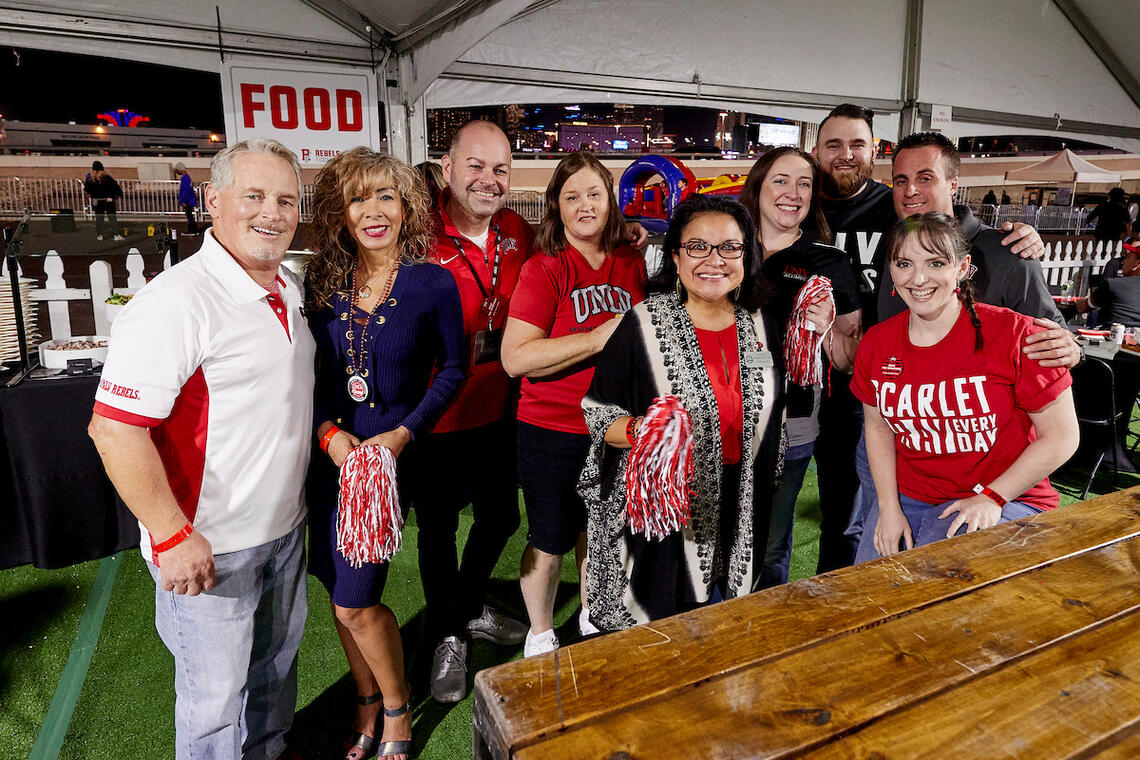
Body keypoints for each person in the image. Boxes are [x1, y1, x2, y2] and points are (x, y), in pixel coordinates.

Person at [88, 138, 313, 760]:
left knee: (273, 678)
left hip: (284, 531)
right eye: (254, 196)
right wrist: (170, 535)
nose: (272, 213)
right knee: (213, 709)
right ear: (213, 200)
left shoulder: (288, 286)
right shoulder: (175, 302)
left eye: (286, 200)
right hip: (211, 545)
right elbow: (114, 429)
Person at [418, 120, 646, 702]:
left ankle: (471, 605)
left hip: (499, 409)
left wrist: (628, 231)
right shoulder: (419, 233)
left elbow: (586, 233)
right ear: (447, 169)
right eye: (475, 166)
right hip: (437, 410)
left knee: (500, 519)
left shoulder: (516, 231)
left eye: (499, 169)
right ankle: (448, 631)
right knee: (440, 529)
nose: (488, 180)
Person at [811, 106, 1059, 572]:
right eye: (901, 180)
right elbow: (878, 411)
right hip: (897, 440)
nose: (910, 191)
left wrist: (1073, 347)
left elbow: (1053, 347)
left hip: (982, 465)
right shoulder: (894, 240)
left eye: (925, 178)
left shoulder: (1007, 253)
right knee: (871, 552)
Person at [306, 147, 465, 760]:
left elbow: (454, 369)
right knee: (337, 595)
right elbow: (310, 380)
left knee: (356, 599)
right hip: (329, 465)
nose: (373, 212)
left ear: (407, 207)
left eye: (385, 197)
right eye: (357, 199)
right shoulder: (323, 286)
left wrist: (403, 434)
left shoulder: (433, 282)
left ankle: (396, 709)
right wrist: (328, 434)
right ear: (340, 213)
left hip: (385, 467)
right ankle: (366, 699)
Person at [578, 194, 784, 630]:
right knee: (665, 630)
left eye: (730, 247)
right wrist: (649, 432)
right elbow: (598, 415)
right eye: (697, 246)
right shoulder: (641, 325)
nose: (714, 260)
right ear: (675, 256)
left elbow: (775, 417)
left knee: (727, 623)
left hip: (742, 501)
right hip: (668, 513)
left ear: (747, 255)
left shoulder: (762, 323)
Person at [851, 212, 1078, 561]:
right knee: (869, 586)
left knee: (936, 576)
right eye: (904, 263)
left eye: (936, 263)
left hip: (1009, 496)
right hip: (912, 497)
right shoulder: (878, 343)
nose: (918, 278)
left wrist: (993, 497)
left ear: (962, 268)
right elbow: (878, 428)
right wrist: (888, 507)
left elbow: (1062, 436)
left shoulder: (1016, 334)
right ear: (891, 270)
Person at [501, 150, 648, 656]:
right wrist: (596, 339)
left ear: (610, 200)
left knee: (599, 531)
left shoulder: (630, 259)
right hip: (552, 428)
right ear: (556, 207)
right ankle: (541, 632)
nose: (585, 205)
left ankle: (591, 613)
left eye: (594, 194)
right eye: (572, 197)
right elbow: (516, 359)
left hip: (613, 428)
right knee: (549, 540)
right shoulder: (544, 268)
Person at [736, 147, 861, 588]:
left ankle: (767, 623)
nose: (793, 193)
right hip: (721, 420)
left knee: (770, 545)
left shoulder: (828, 262)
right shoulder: (726, 248)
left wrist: (827, 331)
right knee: (711, 537)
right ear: (758, 187)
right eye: (781, 180)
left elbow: (847, 360)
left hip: (791, 424)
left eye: (804, 184)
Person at [1077, 237, 1140, 327]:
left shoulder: (1114, 285)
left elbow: (1083, 307)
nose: (1123, 262)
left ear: (1137, 264)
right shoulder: (1114, 264)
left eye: (1128, 257)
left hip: (1111, 332)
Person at [84, 159, 124, 240]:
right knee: (112, 218)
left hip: (97, 201)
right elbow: (116, 188)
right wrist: (114, 196)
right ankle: (116, 235)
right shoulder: (107, 178)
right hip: (108, 200)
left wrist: (93, 196)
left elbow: (88, 190)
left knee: (99, 218)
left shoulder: (90, 180)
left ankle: (99, 235)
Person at [174, 162, 199, 234]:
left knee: (189, 216)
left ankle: (192, 230)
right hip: (189, 200)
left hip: (188, 201)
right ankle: (194, 230)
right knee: (190, 216)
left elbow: (186, 190)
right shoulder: (187, 177)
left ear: (180, 169)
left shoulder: (185, 178)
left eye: (177, 170)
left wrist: (184, 201)